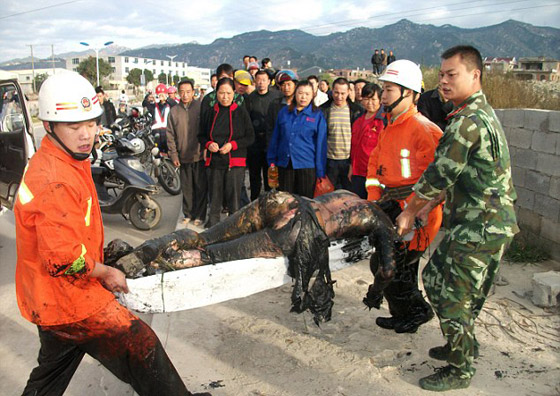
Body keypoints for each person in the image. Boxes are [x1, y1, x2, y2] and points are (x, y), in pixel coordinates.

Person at [15, 71, 209, 396]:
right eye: (74, 127)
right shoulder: (54, 179)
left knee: (50, 373)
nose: (86, 134)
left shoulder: (64, 159)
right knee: (142, 347)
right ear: (49, 126)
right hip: (70, 298)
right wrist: (104, 271)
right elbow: (62, 258)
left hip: (47, 299)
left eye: (90, 123)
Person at [396, 45, 519, 392]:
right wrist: (422, 206)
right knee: (436, 279)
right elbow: (451, 178)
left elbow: (439, 175)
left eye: (452, 75)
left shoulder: (466, 122)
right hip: (476, 223)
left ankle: (460, 368)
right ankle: (460, 342)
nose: (443, 82)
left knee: (452, 296)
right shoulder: (474, 113)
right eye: (442, 75)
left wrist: (409, 210)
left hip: (481, 226)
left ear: (474, 74)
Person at [114, 190, 400, 326]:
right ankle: (151, 267)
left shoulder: (352, 195)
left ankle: (144, 250)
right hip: (297, 227)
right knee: (211, 255)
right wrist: (374, 295)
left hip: (283, 201)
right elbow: (387, 271)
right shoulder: (381, 221)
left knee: (206, 237)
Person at [366, 59, 443, 334]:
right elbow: (374, 168)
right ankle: (404, 314)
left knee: (397, 268)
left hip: (417, 213)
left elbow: (439, 180)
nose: (382, 95)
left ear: (408, 93)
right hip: (392, 206)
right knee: (385, 264)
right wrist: (375, 198)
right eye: (383, 89)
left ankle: (418, 312)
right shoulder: (389, 126)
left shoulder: (425, 130)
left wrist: (416, 211)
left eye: (388, 90)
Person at [198, 78, 254, 228]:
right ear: (216, 94)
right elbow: (201, 135)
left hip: (235, 163)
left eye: (228, 93)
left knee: (234, 201)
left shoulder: (241, 112)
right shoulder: (210, 113)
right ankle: (213, 231)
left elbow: (250, 137)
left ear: (234, 93)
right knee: (214, 200)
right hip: (214, 162)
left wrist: (232, 145)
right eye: (221, 93)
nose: (225, 97)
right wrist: (208, 144)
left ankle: (233, 231)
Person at [268, 80, 328, 198]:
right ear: (295, 93)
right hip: (285, 164)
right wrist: (271, 160)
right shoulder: (284, 112)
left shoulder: (317, 115)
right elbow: (276, 137)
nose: (303, 97)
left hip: (306, 165)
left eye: (307, 94)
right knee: (286, 202)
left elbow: (321, 145)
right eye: (300, 93)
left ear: (313, 96)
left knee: (305, 202)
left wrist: (320, 171)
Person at [167, 79, 207, 227]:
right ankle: (188, 214)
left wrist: (205, 150)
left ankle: (200, 215)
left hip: (199, 154)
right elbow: (170, 135)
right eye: (182, 92)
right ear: (178, 93)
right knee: (187, 187)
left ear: (193, 92)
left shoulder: (200, 107)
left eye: (188, 92)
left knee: (200, 187)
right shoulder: (174, 111)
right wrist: (174, 155)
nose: (185, 95)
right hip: (183, 156)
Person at [320, 77, 363, 191]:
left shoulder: (356, 111)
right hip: (330, 160)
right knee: (329, 195)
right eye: (336, 92)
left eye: (343, 93)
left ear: (349, 92)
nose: (339, 97)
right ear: (332, 91)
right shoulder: (324, 110)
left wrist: (353, 163)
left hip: (348, 161)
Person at [246, 70, 282, 201]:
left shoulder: (276, 98)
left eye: (264, 80)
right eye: (258, 80)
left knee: (270, 177)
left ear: (269, 81)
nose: (261, 83)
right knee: (254, 176)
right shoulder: (249, 98)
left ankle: (269, 202)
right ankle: (254, 202)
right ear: (254, 82)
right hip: (254, 144)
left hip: (270, 143)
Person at [349, 83, 384, 199]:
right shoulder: (358, 120)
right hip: (357, 171)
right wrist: (351, 167)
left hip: (374, 173)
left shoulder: (383, 121)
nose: (370, 103)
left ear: (380, 100)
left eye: (373, 99)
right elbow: (353, 147)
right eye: (366, 99)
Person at [142, 83, 172, 152]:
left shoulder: (169, 105)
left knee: (169, 151)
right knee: (157, 152)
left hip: (167, 132)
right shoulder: (154, 106)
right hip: (156, 132)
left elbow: (175, 105)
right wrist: (149, 95)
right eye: (159, 94)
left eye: (162, 94)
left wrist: (167, 99)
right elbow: (144, 104)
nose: (161, 96)